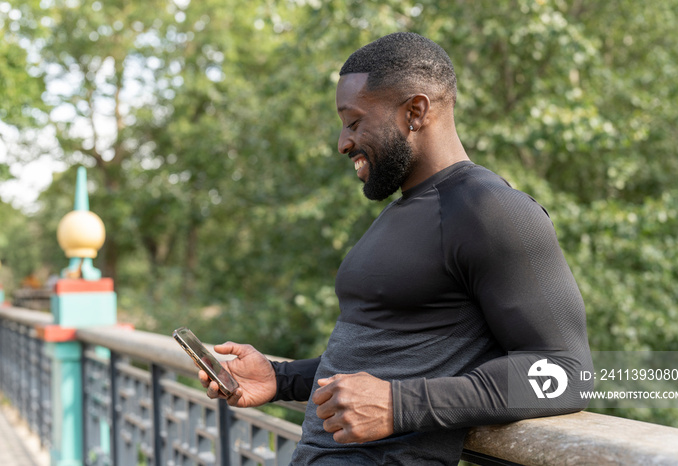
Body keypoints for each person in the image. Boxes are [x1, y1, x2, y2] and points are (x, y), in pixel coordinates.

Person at [199, 32, 593, 465]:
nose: (342, 142)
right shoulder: (404, 211)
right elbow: (389, 361)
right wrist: (280, 377)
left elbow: (567, 373)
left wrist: (400, 405)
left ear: (415, 111)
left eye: (353, 121)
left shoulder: (492, 210)